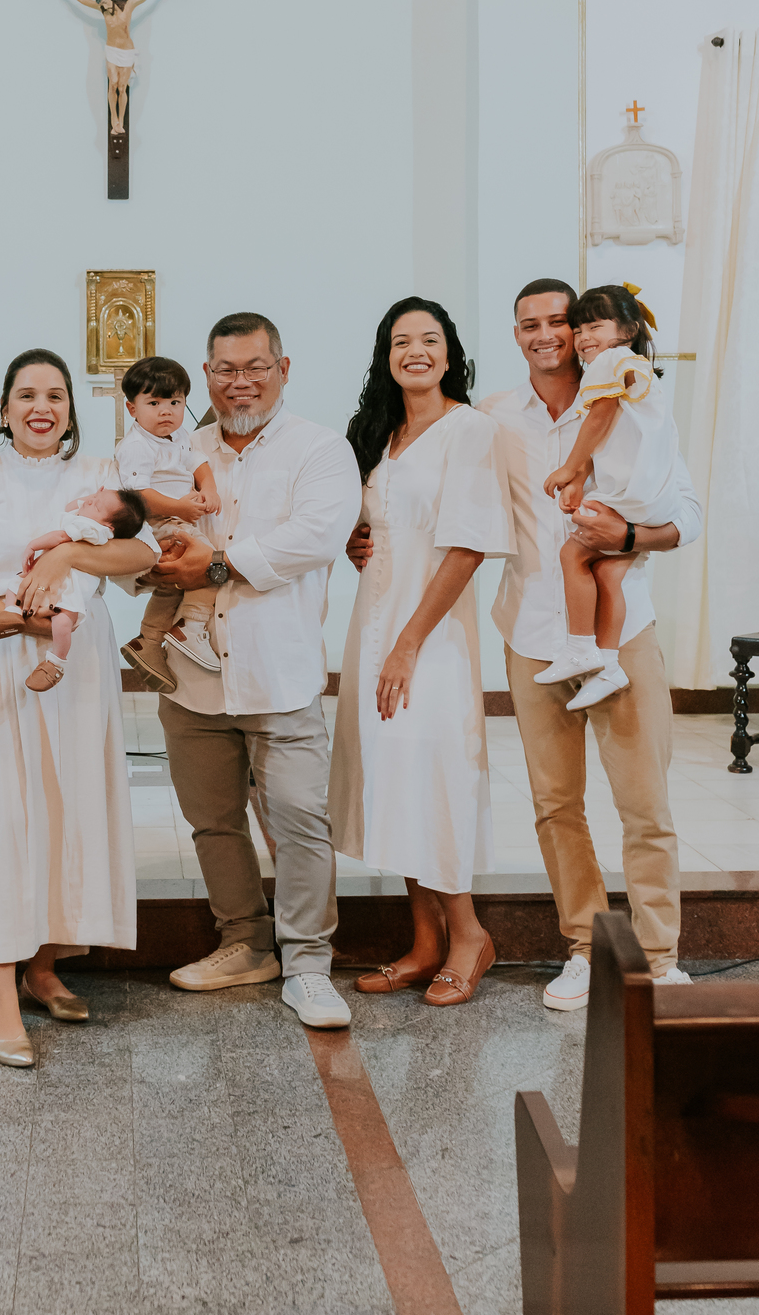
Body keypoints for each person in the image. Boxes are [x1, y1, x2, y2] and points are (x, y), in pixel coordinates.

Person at [0, 349, 157, 1067]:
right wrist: (19, 617)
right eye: (25, 393)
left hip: (76, 669)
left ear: (69, 409)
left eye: (54, 394)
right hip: (0, 661)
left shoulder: (94, 476)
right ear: (3, 409)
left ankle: (44, 964)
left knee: (65, 809)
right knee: (3, 819)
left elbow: (141, 553)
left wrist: (66, 561)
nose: (41, 406)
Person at [479, 277, 702, 1009]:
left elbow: (689, 511)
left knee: (645, 803)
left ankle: (660, 955)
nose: (546, 334)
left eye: (558, 320)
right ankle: (583, 947)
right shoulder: (495, 418)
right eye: (530, 324)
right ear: (517, 334)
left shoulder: (627, 395)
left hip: (622, 630)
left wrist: (634, 535)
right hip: (532, 633)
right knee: (555, 803)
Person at [139, 312, 362, 1030]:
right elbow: (140, 531)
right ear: (205, 373)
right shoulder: (176, 446)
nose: (241, 382)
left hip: (280, 670)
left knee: (300, 819)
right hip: (192, 673)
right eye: (226, 369)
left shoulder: (320, 449)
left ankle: (308, 962)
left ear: (284, 368)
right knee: (212, 820)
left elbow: (314, 536)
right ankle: (243, 941)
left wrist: (215, 562)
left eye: (256, 366)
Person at [328, 299, 515, 1007]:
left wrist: (409, 642)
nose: (415, 350)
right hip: (373, 624)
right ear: (385, 354)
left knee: (433, 776)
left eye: (428, 339)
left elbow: (468, 544)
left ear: (449, 352)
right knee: (390, 774)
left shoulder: (468, 430)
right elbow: (379, 526)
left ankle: (468, 934)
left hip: (430, 642)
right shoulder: (381, 434)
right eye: (401, 340)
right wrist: (356, 542)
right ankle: (425, 939)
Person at [535, 284, 684, 711]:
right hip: (653, 499)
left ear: (629, 329)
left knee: (572, 556)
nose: (583, 338)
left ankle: (580, 645)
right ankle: (609, 664)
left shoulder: (612, 360)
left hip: (628, 498)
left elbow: (599, 417)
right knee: (607, 574)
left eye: (594, 326)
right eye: (579, 328)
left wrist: (568, 468)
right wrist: (581, 479)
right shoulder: (633, 366)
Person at [115, 354, 222, 691]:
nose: (166, 411)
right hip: (158, 519)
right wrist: (180, 507)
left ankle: (148, 639)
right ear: (132, 409)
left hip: (178, 515)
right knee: (209, 564)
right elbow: (138, 494)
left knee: (172, 582)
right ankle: (191, 626)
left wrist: (209, 487)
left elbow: (198, 460)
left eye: (175, 402)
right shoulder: (135, 446)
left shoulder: (178, 435)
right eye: (155, 402)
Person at [0, 485, 147, 691]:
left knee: (63, 621)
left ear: (109, 526)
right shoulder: (89, 519)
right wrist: (97, 499)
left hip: (69, 587)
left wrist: (34, 545)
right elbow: (72, 505)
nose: (88, 501)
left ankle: (56, 661)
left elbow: (60, 537)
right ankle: (11, 613)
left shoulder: (93, 529)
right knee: (18, 584)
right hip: (52, 577)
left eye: (97, 506)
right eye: (93, 497)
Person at [53, 0, 172, 135]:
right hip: (111, 51)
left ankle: (120, 122)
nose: (103, 5)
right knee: (113, 83)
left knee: (122, 87)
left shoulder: (128, 7)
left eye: (105, 1)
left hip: (127, 51)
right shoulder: (103, 11)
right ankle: (113, 119)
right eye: (101, 4)